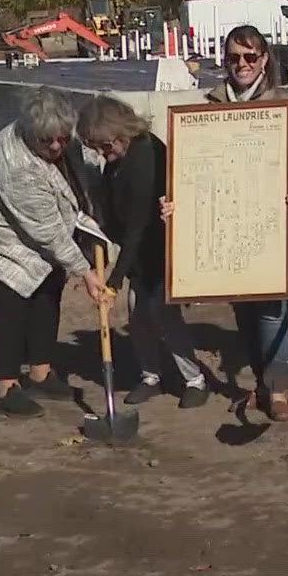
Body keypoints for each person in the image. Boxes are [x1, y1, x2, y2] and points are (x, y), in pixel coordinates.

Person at [0, 87, 110, 417]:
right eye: (47, 141)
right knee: (12, 302)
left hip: (32, 233)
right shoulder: (16, 165)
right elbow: (49, 233)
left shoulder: (51, 140)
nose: (56, 146)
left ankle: (40, 372)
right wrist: (85, 272)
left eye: (61, 138)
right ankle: (4, 387)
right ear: (29, 132)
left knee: (47, 290)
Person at [200, 26, 288, 422]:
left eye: (250, 57)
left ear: (265, 59)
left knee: (272, 303)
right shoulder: (211, 104)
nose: (242, 65)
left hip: (272, 218)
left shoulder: (287, 103)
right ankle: (259, 382)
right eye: (234, 57)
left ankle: (279, 386)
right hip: (228, 219)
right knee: (243, 307)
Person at [77, 95, 210, 409]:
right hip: (137, 252)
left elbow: (138, 224)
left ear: (121, 133)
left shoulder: (145, 156)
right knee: (138, 318)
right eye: (96, 148)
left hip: (161, 248)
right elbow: (116, 214)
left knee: (163, 314)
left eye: (106, 146)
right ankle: (151, 375)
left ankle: (195, 380)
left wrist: (115, 279)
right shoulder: (118, 160)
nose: (102, 154)